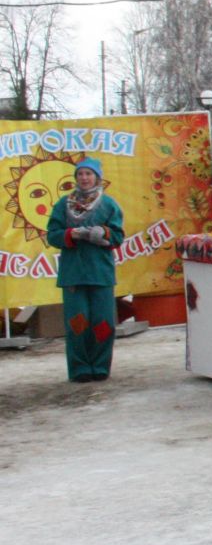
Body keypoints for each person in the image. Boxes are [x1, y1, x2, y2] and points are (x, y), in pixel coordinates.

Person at [44, 157, 124, 383]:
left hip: (101, 272)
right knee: (77, 323)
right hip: (73, 274)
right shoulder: (63, 205)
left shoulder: (109, 205)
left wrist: (104, 234)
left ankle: (100, 366)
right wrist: (72, 234)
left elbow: (118, 236)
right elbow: (52, 235)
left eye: (89, 174)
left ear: (97, 177)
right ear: (76, 178)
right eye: (80, 174)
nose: (84, 178)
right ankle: (79, 369)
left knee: (103, 322)